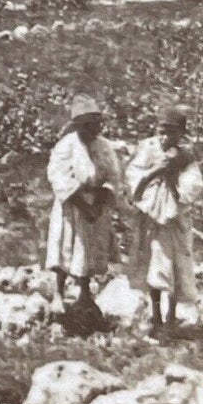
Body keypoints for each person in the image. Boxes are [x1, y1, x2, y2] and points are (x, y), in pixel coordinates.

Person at [125, 105, 203, 332]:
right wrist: (155, 171)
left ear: (181, 132)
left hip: (174, 220)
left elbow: (191, 189)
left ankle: (171, 315)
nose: (164, 137)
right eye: (161, 131)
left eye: (171, 132)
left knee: (174, 265)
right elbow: (134, 179)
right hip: (150, 216)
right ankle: (155, 314)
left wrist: (171, 174)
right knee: (153, 262)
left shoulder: (187, 156)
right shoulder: (148, 149)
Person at [45, 96, 123, 312]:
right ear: (80, 126)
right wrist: (84, 206)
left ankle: (86, 293)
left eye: (98, 124)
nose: (96, 129)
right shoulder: (66, 146)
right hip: (72, 204)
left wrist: (98, 203)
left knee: (90, 248)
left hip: (96, 203)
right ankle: (59, 293)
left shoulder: (104, 146)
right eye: (90, 125)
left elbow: (112, 176)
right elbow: (59, 178)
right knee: (67, 245)